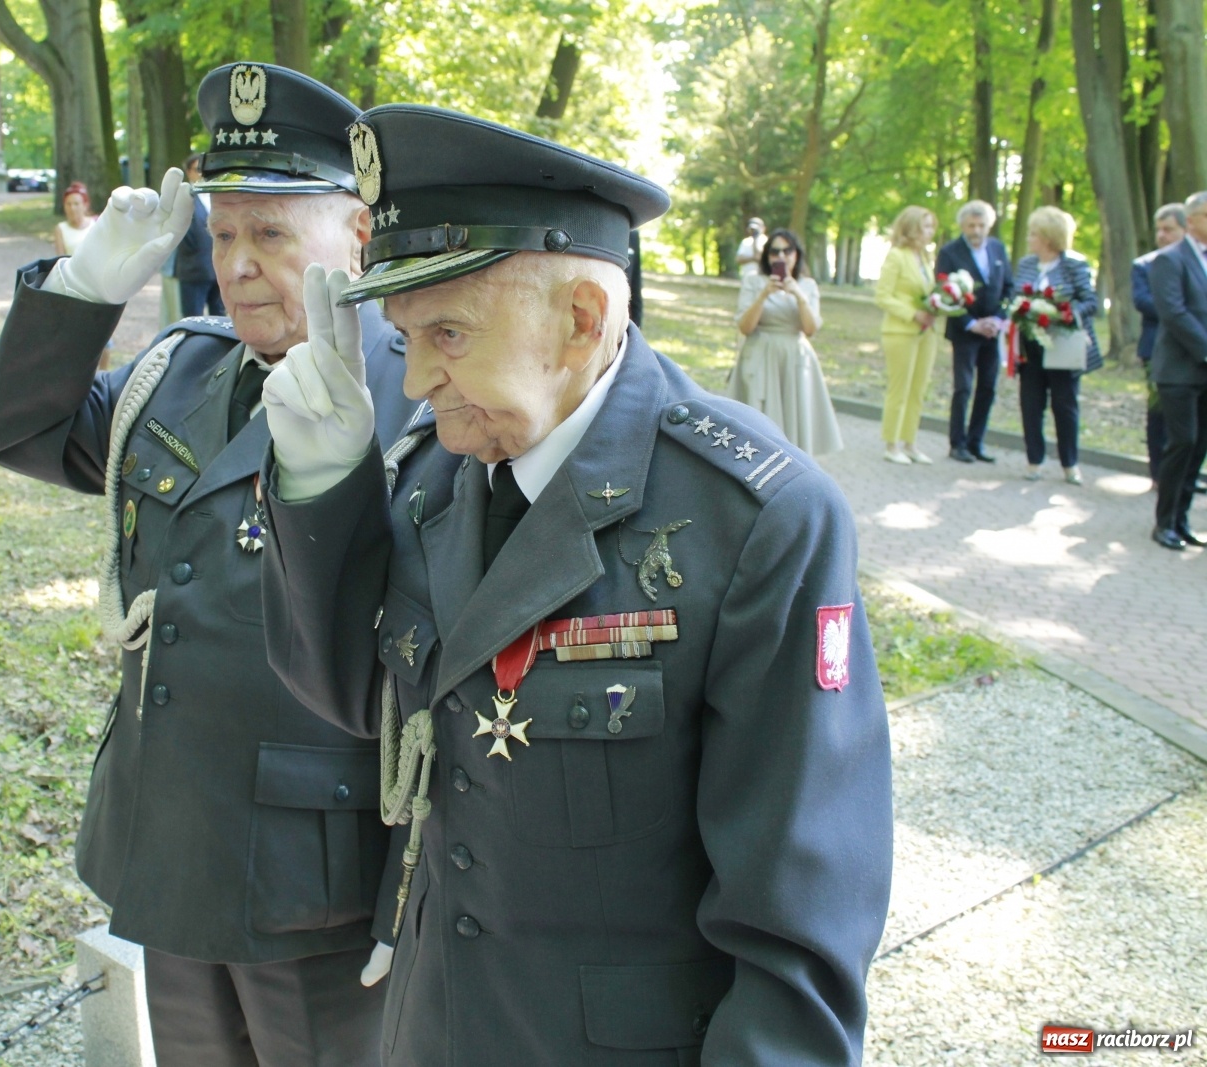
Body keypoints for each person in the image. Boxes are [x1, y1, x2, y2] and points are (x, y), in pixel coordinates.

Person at [260, 105, 893, 1065]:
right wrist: (321, 493)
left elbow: (797, 929)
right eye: (402, 332)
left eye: (448, 332)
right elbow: (352, 694)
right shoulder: (440, 472)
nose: (417, 374)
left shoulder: (756, 521)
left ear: (581, 320)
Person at [0, 64, 417, 1065]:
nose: (239, 264)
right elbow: (10, 426)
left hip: (317, 882)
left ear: (359, 239)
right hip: (168, 840)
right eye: (223, 232)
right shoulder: (182, 370)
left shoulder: (423, 402)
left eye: (271, 234)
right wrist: (82, 291)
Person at [727, 227, 842, 454]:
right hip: (760, 354)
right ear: (767, 255)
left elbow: (810, 328)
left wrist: (798, 295)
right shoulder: (753, 281)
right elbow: (745, 327)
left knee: (795, 422)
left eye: (787, 251)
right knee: (758, 425)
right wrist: (764, 295)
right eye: (774, 252)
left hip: (795, 358)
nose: (781, 257)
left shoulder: (807, 285)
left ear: (796, 254)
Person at [1013, 206, 1101, 485]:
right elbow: (1015, 296)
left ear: (1049, 238)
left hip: (1063, 345)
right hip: (1031, 345)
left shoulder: (1074, 264)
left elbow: (1090, 303)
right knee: (1030, 402)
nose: (1029, 238)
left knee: (1065, 405)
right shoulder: (1027, 264)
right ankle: (1034, 460)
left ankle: (1069, 463)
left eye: (1034, 234)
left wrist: (1062, 314)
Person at [1146, 190, 1207, 550]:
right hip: (1179, 370)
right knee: (1181, 442)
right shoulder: (1169, 260)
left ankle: (1181, 520)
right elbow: (1174, 312)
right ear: (1193, 220)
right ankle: (1163, 521)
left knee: (1198, 447)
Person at [935, 200, 1013, 463]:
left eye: (981, 225)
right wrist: (971, 323)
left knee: (988, 388)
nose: (976, 230)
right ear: (963, 226)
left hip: (993, 331)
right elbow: (943, 293)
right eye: (971, 225)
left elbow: (1009, 288)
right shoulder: (950, 252)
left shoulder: (998, 249)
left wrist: (998, 320)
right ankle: (957, 443)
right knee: (963, 388)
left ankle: (976, 441)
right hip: (965, 331)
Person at [875, 205, 940, 464]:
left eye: (931, 226)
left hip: (926, 334)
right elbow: (883, 296)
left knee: (918, 389)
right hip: (900, 331)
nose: (930, 232)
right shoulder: (897, 256)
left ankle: (910, 442)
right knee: (899, 389)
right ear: (911, 228)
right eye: (925, 226)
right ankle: (891, 445)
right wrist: (913, 314)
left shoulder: (924, 259)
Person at [1132, 203, 1186, 484]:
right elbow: (1143, 301)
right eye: (1159, 230)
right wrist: (1179, 312)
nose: (1162, 235)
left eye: (1169, 229)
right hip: (1156, 348)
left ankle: (1185, 473)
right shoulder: (1144, 265)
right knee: (1159, 411)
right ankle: (1159, 473)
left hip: (1192, 351)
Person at [173, 152, 224, 318]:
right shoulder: (182, 197)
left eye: (206, 169)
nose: (202, 173)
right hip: (193, 270)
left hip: (219, 271)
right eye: (197, 169)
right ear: (188, 172)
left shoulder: (219, 198)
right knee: (192, 319)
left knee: (221, 319)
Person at [52, 182, 94, 256]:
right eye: (68, 204)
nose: (72, 208)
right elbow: (60, 259)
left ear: (85, 205)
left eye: (76, 204)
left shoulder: (95, 224)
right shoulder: (60, 229)